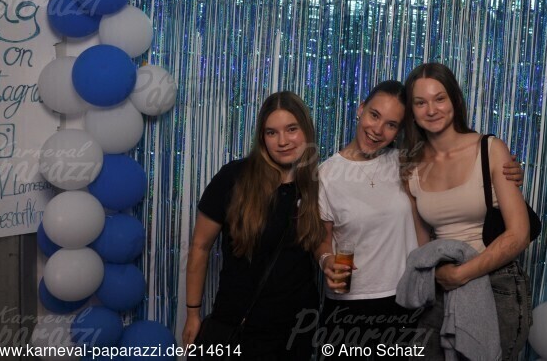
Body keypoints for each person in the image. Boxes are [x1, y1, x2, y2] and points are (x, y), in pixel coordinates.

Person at [315, 80, 525, 359]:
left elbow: (459, 165)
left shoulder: (408, 163)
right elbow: (322, 240)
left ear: (400, 130)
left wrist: (506, 169)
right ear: (360, 109)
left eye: (391, 124)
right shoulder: (326, 174)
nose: (378, 130)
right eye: (374, 115)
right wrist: (326, 260)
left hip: (407, 299)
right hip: (348, 305)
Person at [401, 63, 532, 361]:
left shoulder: (490, 149)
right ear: (412, 111)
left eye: (439, 98)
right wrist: (440, 274)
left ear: (455, 100)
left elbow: (519, 234)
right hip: (442, 282)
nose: (431, 110)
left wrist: (462, 274)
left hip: (496, 282)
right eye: (420, 102)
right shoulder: (411, 167)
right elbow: (423, 245)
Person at [182, 91, 325, 360]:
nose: (283, 141)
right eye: (272, 132)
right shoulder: (234, 177)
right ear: (262, 138)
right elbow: (200, 246)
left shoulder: (319, 183)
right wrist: (192, 313)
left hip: (295, 330)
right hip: (239, 324)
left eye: (291, 129)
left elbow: (323, 243)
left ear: (306, 130)